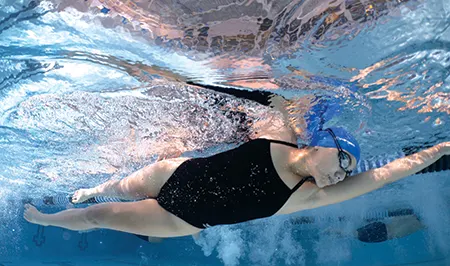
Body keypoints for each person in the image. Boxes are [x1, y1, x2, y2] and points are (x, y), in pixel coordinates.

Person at [23, 91, 450, 238]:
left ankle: (48, 220)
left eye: (346, 172)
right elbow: (273, 89)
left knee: (99, 218)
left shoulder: (312, 193)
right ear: (323, 142)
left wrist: (436, 152)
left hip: (181, 218)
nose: (341, 174)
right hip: (173, 172)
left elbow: (389, 173)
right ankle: (94, 187)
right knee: (117, 187)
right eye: (342, 159)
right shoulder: (280, 132)